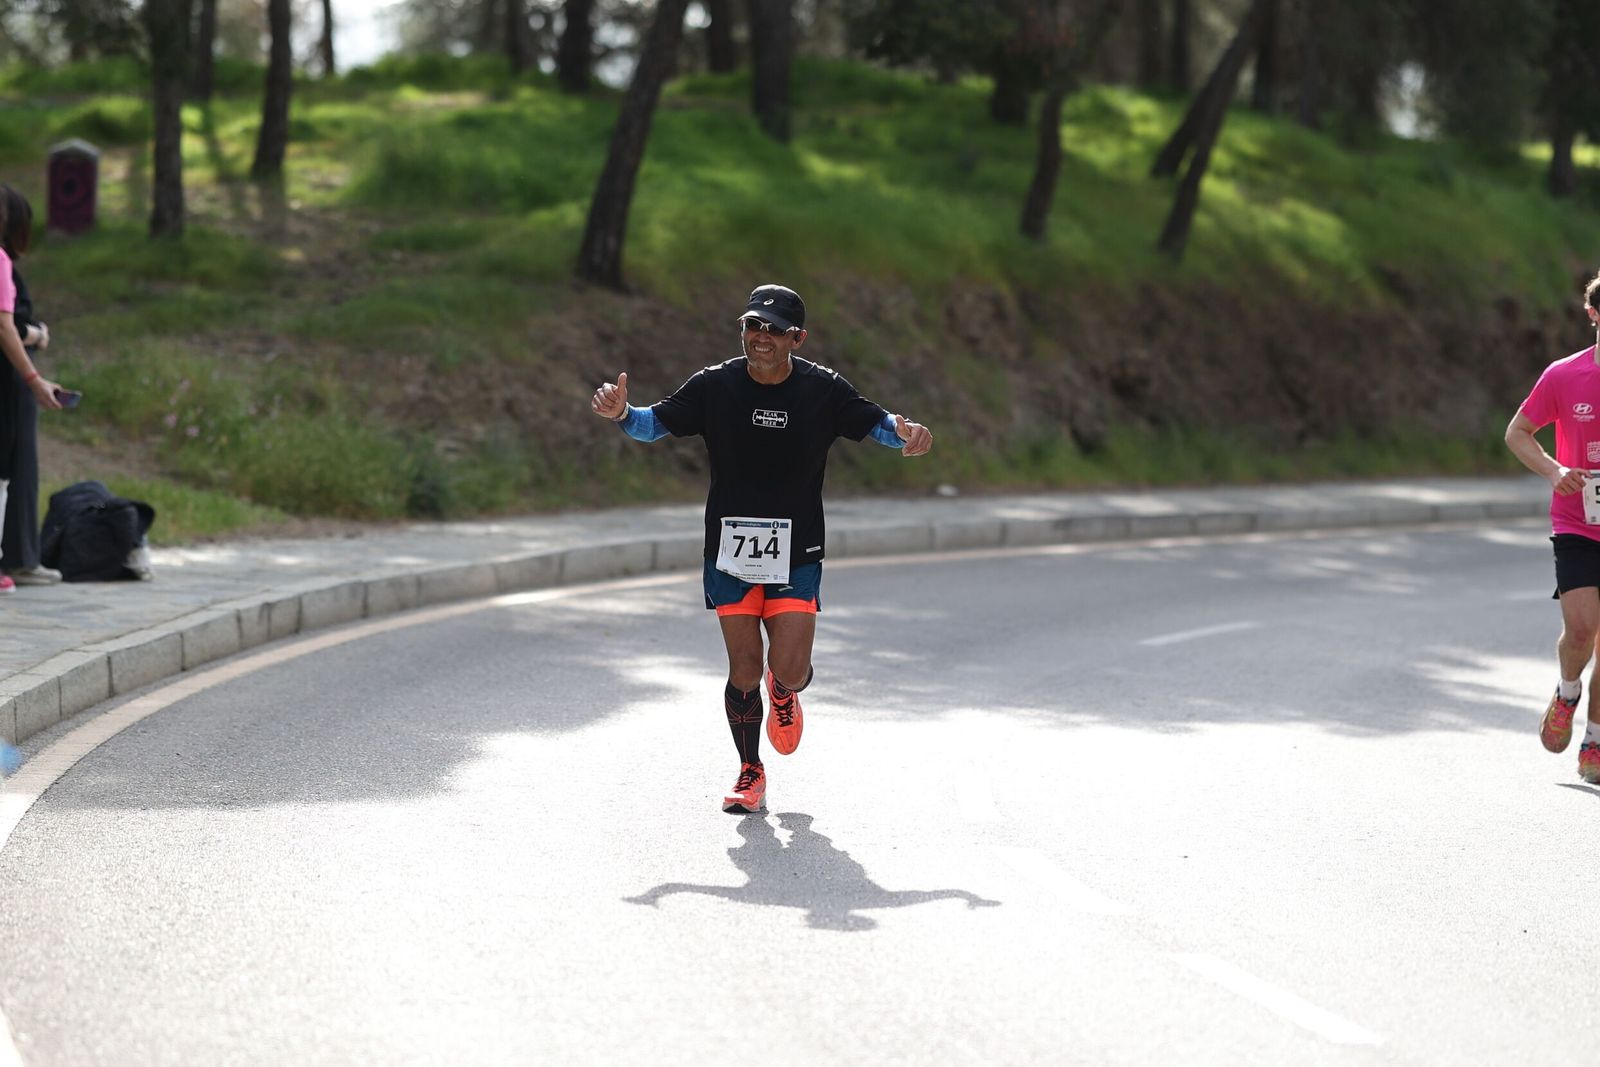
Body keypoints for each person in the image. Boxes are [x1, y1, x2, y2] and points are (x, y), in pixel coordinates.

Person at [590, 284, 933, 814]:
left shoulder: (823, 389)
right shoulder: (714, 384)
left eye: (774, 330)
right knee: (744, 669)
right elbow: (652, 424)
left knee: (789, 669)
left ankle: (785, 691)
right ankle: (750, 770)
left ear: (798, 338)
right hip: (730, 551)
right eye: (753, 326)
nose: (762, 337)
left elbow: (878, 425)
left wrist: (906, 433)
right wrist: (621, 413)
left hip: (797, 549)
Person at [1507, 268, 1600, 784]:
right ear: (1593, 315)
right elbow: (1518, 432)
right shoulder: (1564, 375)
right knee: (1583, 629)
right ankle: (1567, 692)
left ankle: (1594, 743)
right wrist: (1554, 470)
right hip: (1577, 523)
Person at [0, 184, 66, 590]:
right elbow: (5, 325)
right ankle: (18, 558)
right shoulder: (2, 262)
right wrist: (36, 349)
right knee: (15, 467)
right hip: (8, 378)